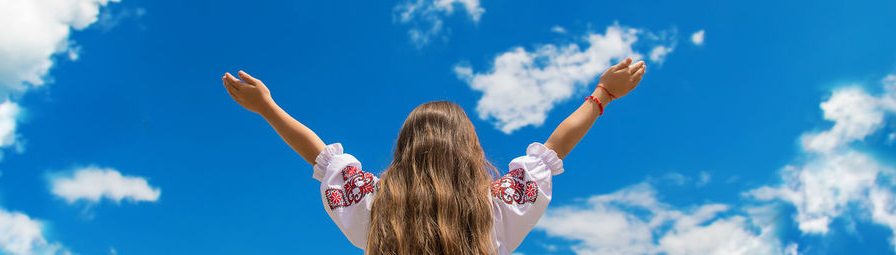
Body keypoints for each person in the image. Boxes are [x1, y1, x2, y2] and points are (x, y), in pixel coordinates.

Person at [221, 57, 646, 254]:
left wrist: (267, 108)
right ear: (471, 149)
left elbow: (319, 155)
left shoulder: (373, 208)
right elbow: (555, 148)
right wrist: (602, 94)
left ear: (404, 150)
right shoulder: (494, 209)